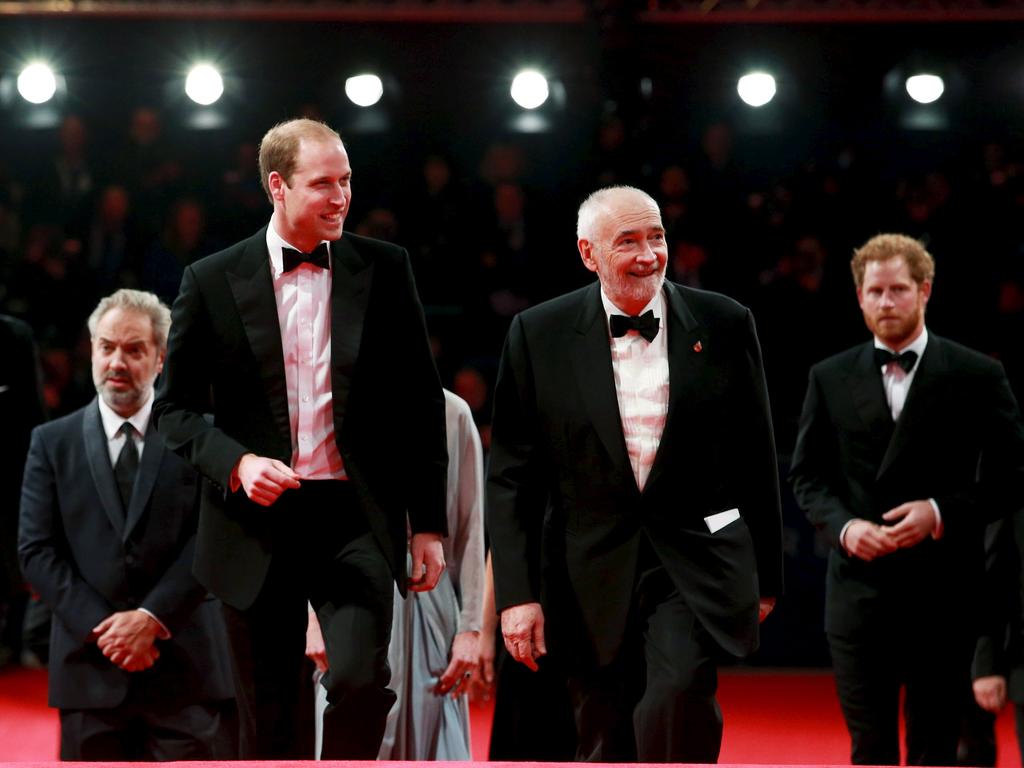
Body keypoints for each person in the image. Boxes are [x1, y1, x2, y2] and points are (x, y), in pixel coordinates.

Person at [153, 117, 449, 759]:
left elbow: (422, 403)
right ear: (277, 187)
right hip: (253, 520)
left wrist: (428, 523)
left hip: (353, 515)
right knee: (269, 710)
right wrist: (237, 464)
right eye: (323, 184)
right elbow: (172, 411)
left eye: (346, 181)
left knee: (361, 681)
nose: (341, 197)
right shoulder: (210, 280)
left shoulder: (386, 268)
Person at [487, 185, 783, 762]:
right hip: (584, 569)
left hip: (692, 558)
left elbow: (756, 455)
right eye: (628, 241)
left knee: (678, 696)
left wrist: (764, 576)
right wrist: (516, 597)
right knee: (603, 731)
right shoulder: (538, 333)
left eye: (657, 237)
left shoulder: (725, 323)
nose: (649, 254)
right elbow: (512, 478)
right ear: (588, 253)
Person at [790, 233, 1024, 766]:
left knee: (934, 750)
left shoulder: (977, 375)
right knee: (867, 748)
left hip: (944, 594)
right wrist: (846, 527)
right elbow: (806, 475)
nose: (886, 302)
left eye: (898, 289)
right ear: (859, 297)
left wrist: (939, 512)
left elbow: (1014, 475)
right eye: (875, 291)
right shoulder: (828, 377)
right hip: (857, 593)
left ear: (925, 291)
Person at [18, 289, 235, 760]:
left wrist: (151, 620)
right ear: (91, 349)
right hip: (89, 673)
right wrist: (107, 630)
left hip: (186, 671)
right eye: (106, 346)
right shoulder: (50, 443)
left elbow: (214, 541)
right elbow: (35, 551)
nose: (117, 361)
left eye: (134, 349)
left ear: (160, 359)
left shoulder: (203, 438)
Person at [308, 388, 486, 759]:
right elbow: (313, 518)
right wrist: (311, 616)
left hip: (429, 596)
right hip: (347, 592)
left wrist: (470, 628)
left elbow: (471, 527)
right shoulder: (333, 403)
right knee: (348, 727)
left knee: (431, 737)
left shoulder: (453, 412)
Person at [0, 314, 46, 667]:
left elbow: (32, 409)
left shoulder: (15, 335)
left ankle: (15, 638)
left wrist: (39, 466)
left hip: (11, 465)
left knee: (14, 553)